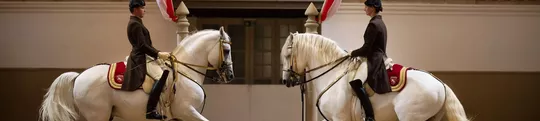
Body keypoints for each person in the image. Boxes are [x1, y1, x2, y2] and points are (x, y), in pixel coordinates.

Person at [123, 0, 172, 119]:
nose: (144, 10)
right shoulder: (135, 24)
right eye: (142, 7)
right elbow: (142, 46)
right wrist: (158, 54)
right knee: (161, 77)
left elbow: (147, 45)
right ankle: (151, 110)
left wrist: (158, 53)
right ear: (135, 9)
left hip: (145, 55)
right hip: (140, 57)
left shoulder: (137, 22)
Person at [348, 0, 390, 120]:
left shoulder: (374, 24)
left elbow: (366, 49)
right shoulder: (380, 22)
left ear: (372, 7)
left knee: (356, 82)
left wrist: (352, 53)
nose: (364, 9)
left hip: (374, 59)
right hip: (378, 56)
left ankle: (370, 116)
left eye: (366, 6)